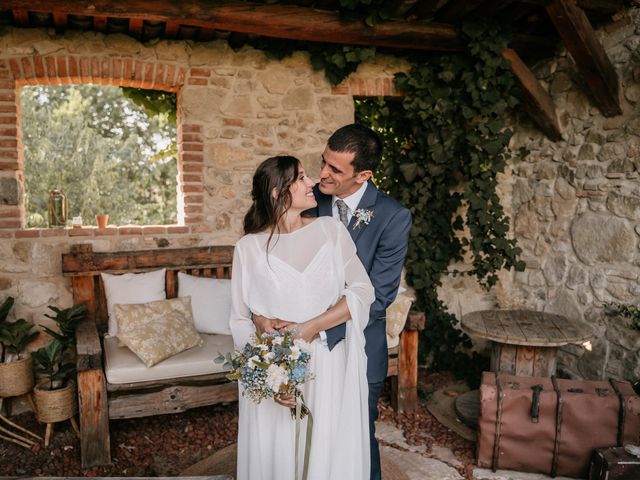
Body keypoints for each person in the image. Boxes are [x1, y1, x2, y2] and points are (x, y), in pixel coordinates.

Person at [229, 155, 375, 480]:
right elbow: (238, 319)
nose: (312, 183)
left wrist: (312, 327)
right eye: (301, 178)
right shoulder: (248, 248)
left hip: (327, 363)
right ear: (277, 192)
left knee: (325, 449)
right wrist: (269, 369)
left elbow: (363, 291)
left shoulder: (331, 231)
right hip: (280, 373)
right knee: (280, 451)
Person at [311, 124, 412, 480]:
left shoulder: (392, 216)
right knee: (311, 433)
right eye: (323, 162)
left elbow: (379, 294)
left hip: (361, 345)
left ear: (363, 175)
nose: (323, 173)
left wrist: (316, 328)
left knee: (358, 436)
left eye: (335, 169)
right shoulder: (307, 201)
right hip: (307, 348)